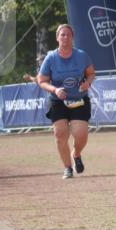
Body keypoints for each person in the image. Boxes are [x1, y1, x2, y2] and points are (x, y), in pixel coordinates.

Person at [37, 24, 96, 179]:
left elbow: (91, 73)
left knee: (80, 134)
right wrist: (55, 90)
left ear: (72, 37)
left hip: (79, 99)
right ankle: (68, 168)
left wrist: (88, 83)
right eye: (62, 35)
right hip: (58, 101)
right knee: (60, 134)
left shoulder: (82, 55)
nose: (65, 37)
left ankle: (76, 154)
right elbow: (41, 80)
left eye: (68, 35)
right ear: (57, 38)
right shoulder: (51, 58)